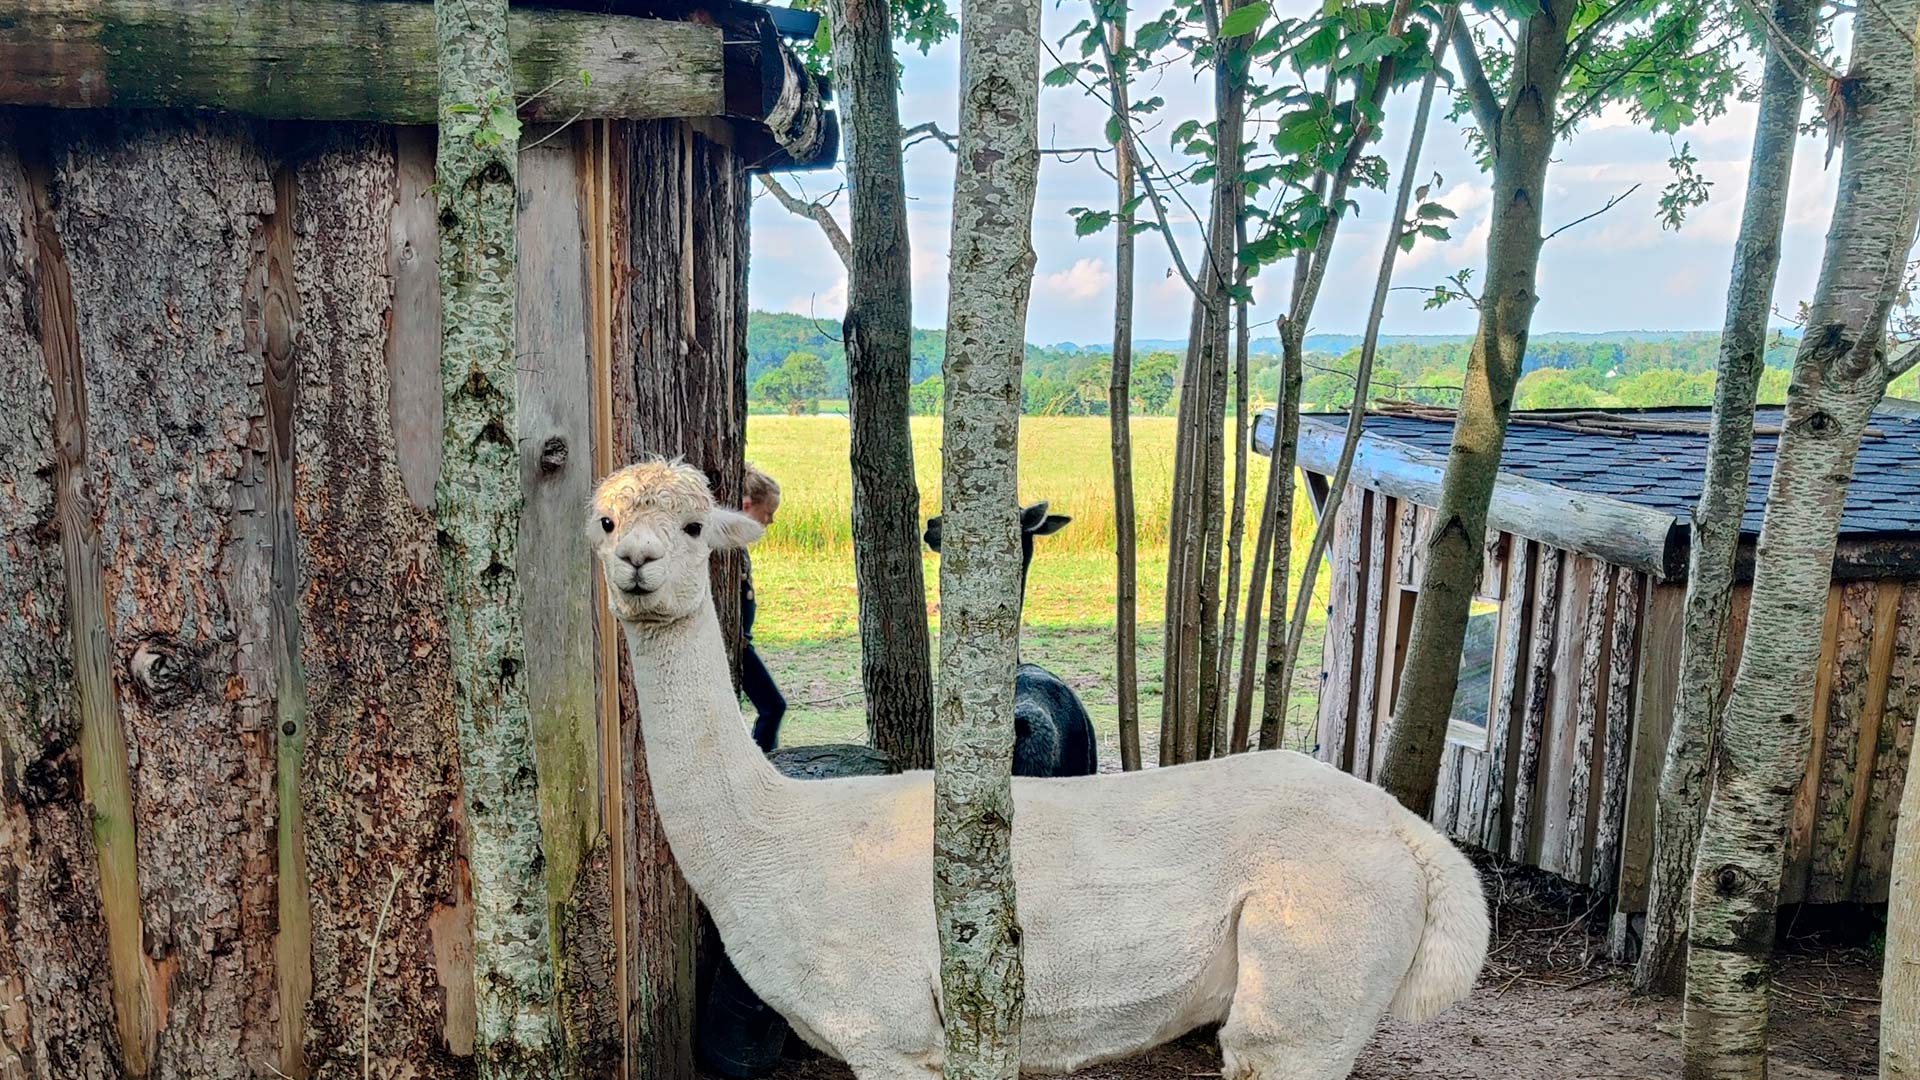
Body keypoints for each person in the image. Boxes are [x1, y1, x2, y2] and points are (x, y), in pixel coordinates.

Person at [740, 464, 785, 752]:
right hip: (738, 647)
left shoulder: (738, 545)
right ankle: (765, 762)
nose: (769, 521)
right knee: (773, 706)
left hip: (742, 643)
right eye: (767, 513)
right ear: (746, 506)